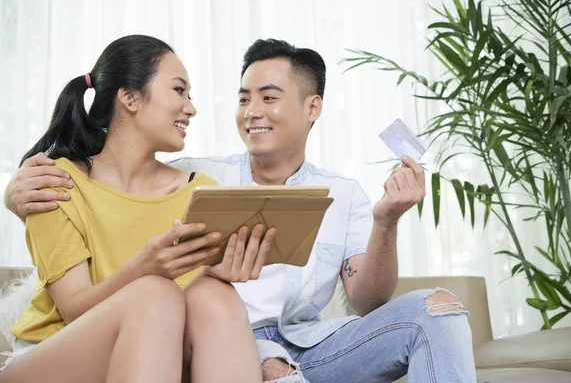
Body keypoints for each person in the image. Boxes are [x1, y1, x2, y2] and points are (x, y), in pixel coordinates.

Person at [5, 38, 477, 382]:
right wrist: (14, 196)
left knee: (437, 309)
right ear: (128, 98)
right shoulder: (67, 180)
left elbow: (368, 300)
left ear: (312, 108)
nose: (249, 111)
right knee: (164, 296)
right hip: (103, 343)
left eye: (268, 98)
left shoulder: (202, 188)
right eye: (243, 98)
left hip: (301, 340)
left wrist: (387, 219)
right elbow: (116, 182)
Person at [0, 34, 276, 383]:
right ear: (129, 97)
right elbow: (74, 309)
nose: (191, 108)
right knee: (154, 294)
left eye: (190, 96)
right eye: (179, 91)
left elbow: (193, 315)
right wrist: (145, 268)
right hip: (55, 357)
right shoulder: (53, 183)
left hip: (155, 355)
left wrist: (217, 274)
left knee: (214, 295)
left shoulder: (203, 192)